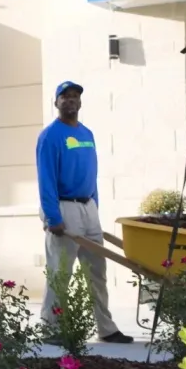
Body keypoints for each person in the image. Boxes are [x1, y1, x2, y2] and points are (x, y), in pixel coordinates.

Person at [36, 81, 133, 345]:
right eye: (65, 96)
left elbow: (92, 173)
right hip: (64, 208)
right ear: (56, 103)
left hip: (88, 207)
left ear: (80, 102)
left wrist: (95, 206)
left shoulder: (87, 134)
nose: (70, 100)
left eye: (75, 96)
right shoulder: (49, 136)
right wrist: (53, 217)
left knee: (97, 272)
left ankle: (106, 327)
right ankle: (51, 329)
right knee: (60, 273)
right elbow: (46, 179)